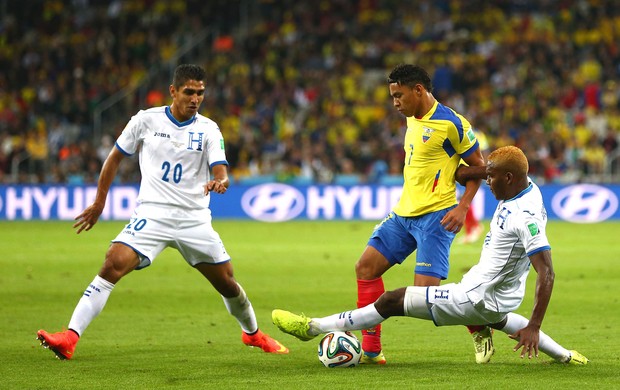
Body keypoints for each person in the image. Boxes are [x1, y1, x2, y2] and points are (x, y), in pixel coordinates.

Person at [36, 64, 288, 360]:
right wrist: (99, 203)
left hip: (193, 219)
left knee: (227, 283)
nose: (195, 99)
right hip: (152, 215)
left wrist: (220, 181)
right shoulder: (145, 120)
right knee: (112, 263)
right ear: (173, 91)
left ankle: (253, 334)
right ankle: (70, 337)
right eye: (189, 92)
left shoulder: (209, 129)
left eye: (201, 93)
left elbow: (221, 170)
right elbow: (114, 158)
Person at [272, 146, 588, 365]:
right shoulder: (524, 183)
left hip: (474, 297)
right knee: (502, 319)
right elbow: (488, 173)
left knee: (391, 301)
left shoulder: (525, 216)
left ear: (508, 179)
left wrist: (534, 326)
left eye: (490, 178)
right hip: (496, 294)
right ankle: (565, 355)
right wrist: (467, 172)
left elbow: (547, 272)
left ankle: (311, 327)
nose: (486, 182)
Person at [354, 64, 489, 364]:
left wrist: (463, 207)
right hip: (403, 215)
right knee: (365, 267)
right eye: (392, 96)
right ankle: (372, 351)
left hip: (436, 218)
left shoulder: (452, 123)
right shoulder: (412, 118)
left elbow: (477, 167)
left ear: (419, 90)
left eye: (399, 95)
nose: (395, 103)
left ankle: (477, 322)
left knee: (424, 301)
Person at [458, 128, 489, 244]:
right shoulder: (474, 133)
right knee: (462, 199)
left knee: (463, 199)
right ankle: (471, 229)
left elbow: (484, 153)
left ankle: (473, 228)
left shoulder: (476, 134)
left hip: (471, 170)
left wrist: (483, 170)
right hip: (463, 170)